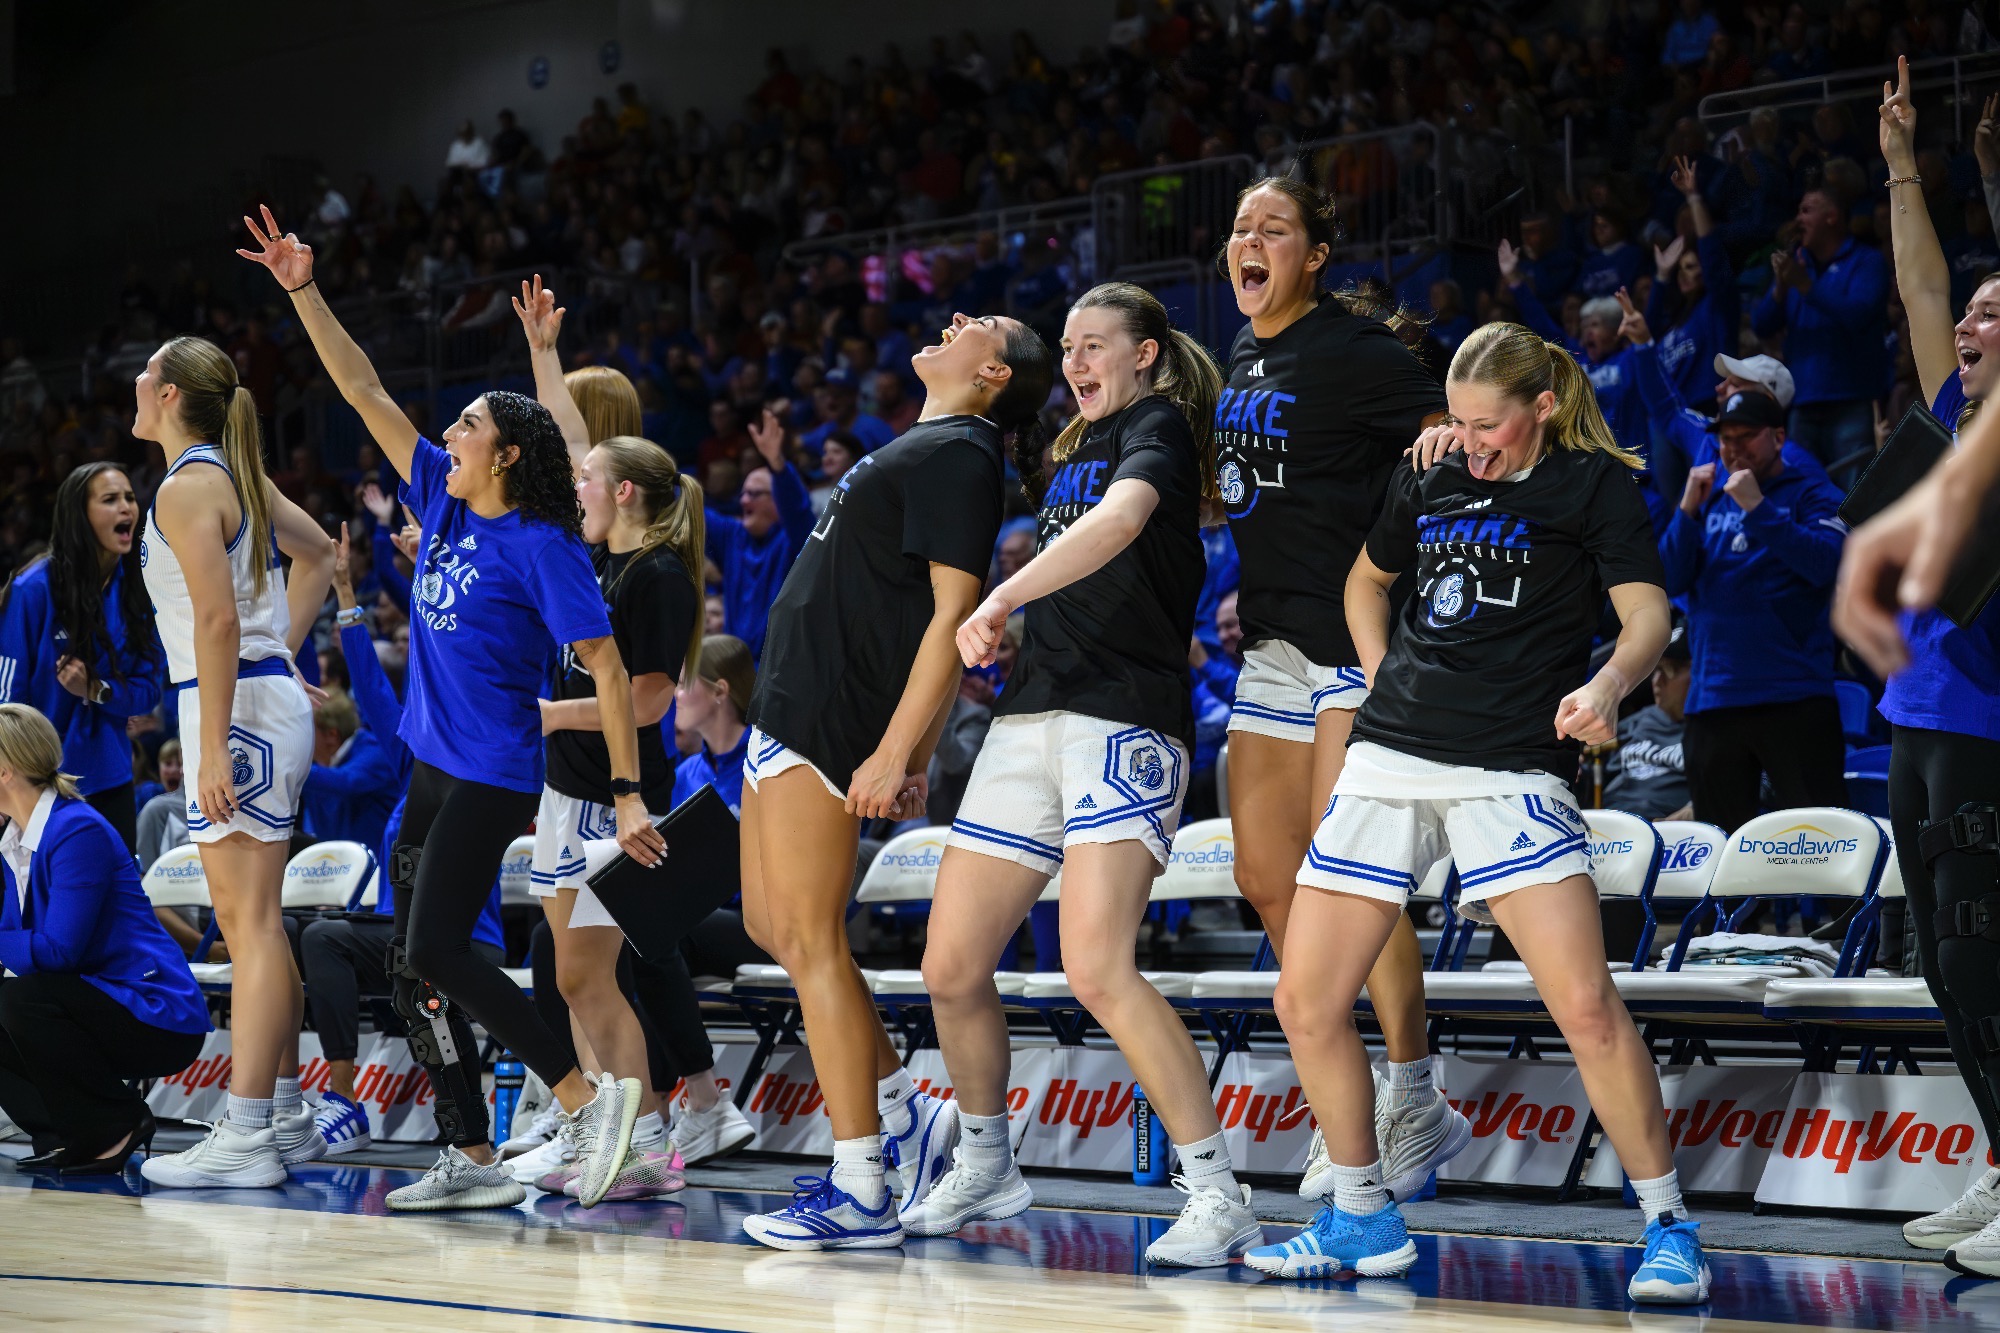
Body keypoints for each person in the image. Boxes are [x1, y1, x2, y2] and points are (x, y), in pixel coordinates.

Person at [1244, 321, 1705, 1307]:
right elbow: (1364, 582)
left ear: (1540, 407)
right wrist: (1377, 677)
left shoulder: (1589, 486)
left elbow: (1644, 616)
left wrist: (1611, 685)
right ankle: (1361, 1211)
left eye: (1485, 424)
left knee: (1583, 1005)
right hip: (1387, 754)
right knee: (1304, 998)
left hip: (1507, 765)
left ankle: (1668, 1225)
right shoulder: (1427, 471)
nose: (1467, 441)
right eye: (1453, 422)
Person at [239, 206, 661, 1211]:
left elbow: (606, 671)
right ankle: (468, 1151)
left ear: (508, 454)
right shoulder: (438, 486)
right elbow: (361, 385)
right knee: (405, 956)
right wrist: (303, 287)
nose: (450, 432)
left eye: (469, 423)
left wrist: (631, 792)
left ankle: (580, 1093)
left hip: (490, 772)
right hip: (432, 762)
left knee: (433, 949)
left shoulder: (545, 547)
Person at [909, 283, 1259, 1262]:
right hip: (1028, 717)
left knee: (1095, 963)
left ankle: (1215, 1189)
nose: (1075, 361)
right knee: (949, 963)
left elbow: (1120, 521)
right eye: (1066, 348)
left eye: (1094, 345)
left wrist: (1001, 598)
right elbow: (991, 401)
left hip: (1122, 715)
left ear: (1144, 354)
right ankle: (986, 1162)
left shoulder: (1160, 426)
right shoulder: (1062, 443)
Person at [737, 311, 1053, 1250]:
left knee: (807, 934)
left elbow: (954, 618)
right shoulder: (926, 443)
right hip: (793, 701)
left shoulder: (964, 453)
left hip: (837, 712)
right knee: (773, 927)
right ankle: (903, 1115)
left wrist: (897, 750)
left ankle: (862, 1182)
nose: (951, 323)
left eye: (976, 326)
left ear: (993, 372)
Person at [1211, 175, 1469, 1201]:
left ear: (1313, 255)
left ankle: (1412, 1094)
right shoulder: (1237, 356)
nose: (1250, 240)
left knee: (1346, 877)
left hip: (1354, 641)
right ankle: (1343, 1087)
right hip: (1273, 641)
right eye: (1239, 228)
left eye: (1273, 228)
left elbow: (1447, 422)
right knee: (1265, 879)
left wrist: (1439, 433)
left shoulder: (1352, 348)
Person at [124, 332, 335, 1191]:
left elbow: (215, 622)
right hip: (256, 697)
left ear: (171, 394)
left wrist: (210, 740)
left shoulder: (185, 487)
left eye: (147, 372)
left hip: (234, 707)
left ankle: (245, 1129)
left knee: (245, 927)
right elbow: (321, 552)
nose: (135, 382)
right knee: (263, 924)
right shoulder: (235, 475)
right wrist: (279, 655)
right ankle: (282, 1110)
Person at [1863, 63, 2000, 1278]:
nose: (1963, 328)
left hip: (1986, 729)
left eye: (1989, 319)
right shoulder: (1956, 425)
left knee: (1980, 952)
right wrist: (1903, 161)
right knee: (1945, 965)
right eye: (1968, 319)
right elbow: (1919, 287)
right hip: (1916, 717)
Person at [298, 523, 501, 1158]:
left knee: (338, 939)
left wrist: (429, 583)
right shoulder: (407, 759)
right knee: (306, 932)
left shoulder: (481, 767)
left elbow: (450, 651)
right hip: (401, 935)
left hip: (467, 942)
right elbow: (376, 688)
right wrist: (345, 592)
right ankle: (322, 1100)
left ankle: (445, 1132)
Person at [0, 704, 209, 1175]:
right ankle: (60, 1133)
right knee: (15, 996)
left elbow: (59, 951)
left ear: (5, 769)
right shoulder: (13, 838)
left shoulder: (77, 830)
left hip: (154, 1011)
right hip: (95, 998)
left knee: (23, 999)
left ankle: (116, 1123)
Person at [1658, 390, 1847, 832]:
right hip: (1713, 700)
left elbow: (1827, 565)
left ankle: (1836, 909)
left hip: (1793, 695)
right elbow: (1667, 580)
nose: (1733, 449)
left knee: (1827, 844)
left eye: (1746, 437)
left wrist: (1758, 509)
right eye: (1725, 439)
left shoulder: (1813, 492)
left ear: (1779, 437)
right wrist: (1686, 510)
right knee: (1721, 858)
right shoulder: (1708, 498)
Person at [0, 462, 164, 850]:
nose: (127, 507)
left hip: (111, 779)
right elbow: (7, 697)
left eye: (128, 497)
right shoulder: (34, 589)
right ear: (80, 515)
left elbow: (149, 689)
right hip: (38, 784)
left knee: (116, 901)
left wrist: (98, 690)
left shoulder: (139, 590)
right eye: (110, 500)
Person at [1750, 186, 1890, 482]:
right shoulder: (1797, 268)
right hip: (1803, 402)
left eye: (1807, 210)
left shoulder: (1866, 261)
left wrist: (1806, 287)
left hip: (1851, 398)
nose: (1798, 219)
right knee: (1805, 492)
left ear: (1832, 217)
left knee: (1855, 493)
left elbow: (1859, 315)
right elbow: (1762, 325)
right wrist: (1780, 285)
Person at [705, 408, 814, 660]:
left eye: (754, 494)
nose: (743, 500)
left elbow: (798, 512)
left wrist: (777, 464)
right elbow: (690, 508)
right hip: (736, 668)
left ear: (778, 501)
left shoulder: (797, 540)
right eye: (742, 493)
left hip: (780, 668)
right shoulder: (733, 535)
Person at [1646, 155, 1737, 409]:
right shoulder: (1675, 319)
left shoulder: (1715, 305)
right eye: (1681, 269)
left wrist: (1694, 197)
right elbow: (1646, 331)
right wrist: (1662, 276)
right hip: (1674, 414)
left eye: (1692, 267)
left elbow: (1712, 255)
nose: (1684, 273)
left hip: (1708, 404)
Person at [1603, 622, 1693, 821]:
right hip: (1611, 827)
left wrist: (1699, 808)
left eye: (1671, 669)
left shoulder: (1720, 730)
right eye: (1655, 669)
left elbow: (1760, 783)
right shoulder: (1632, 724)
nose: (1657, 680)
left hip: (1680, 836)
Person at [136, 738, 189, 871]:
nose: (175, 770)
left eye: (179, 763)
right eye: (168, 763)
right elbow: (147, 873)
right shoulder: (155, 807)